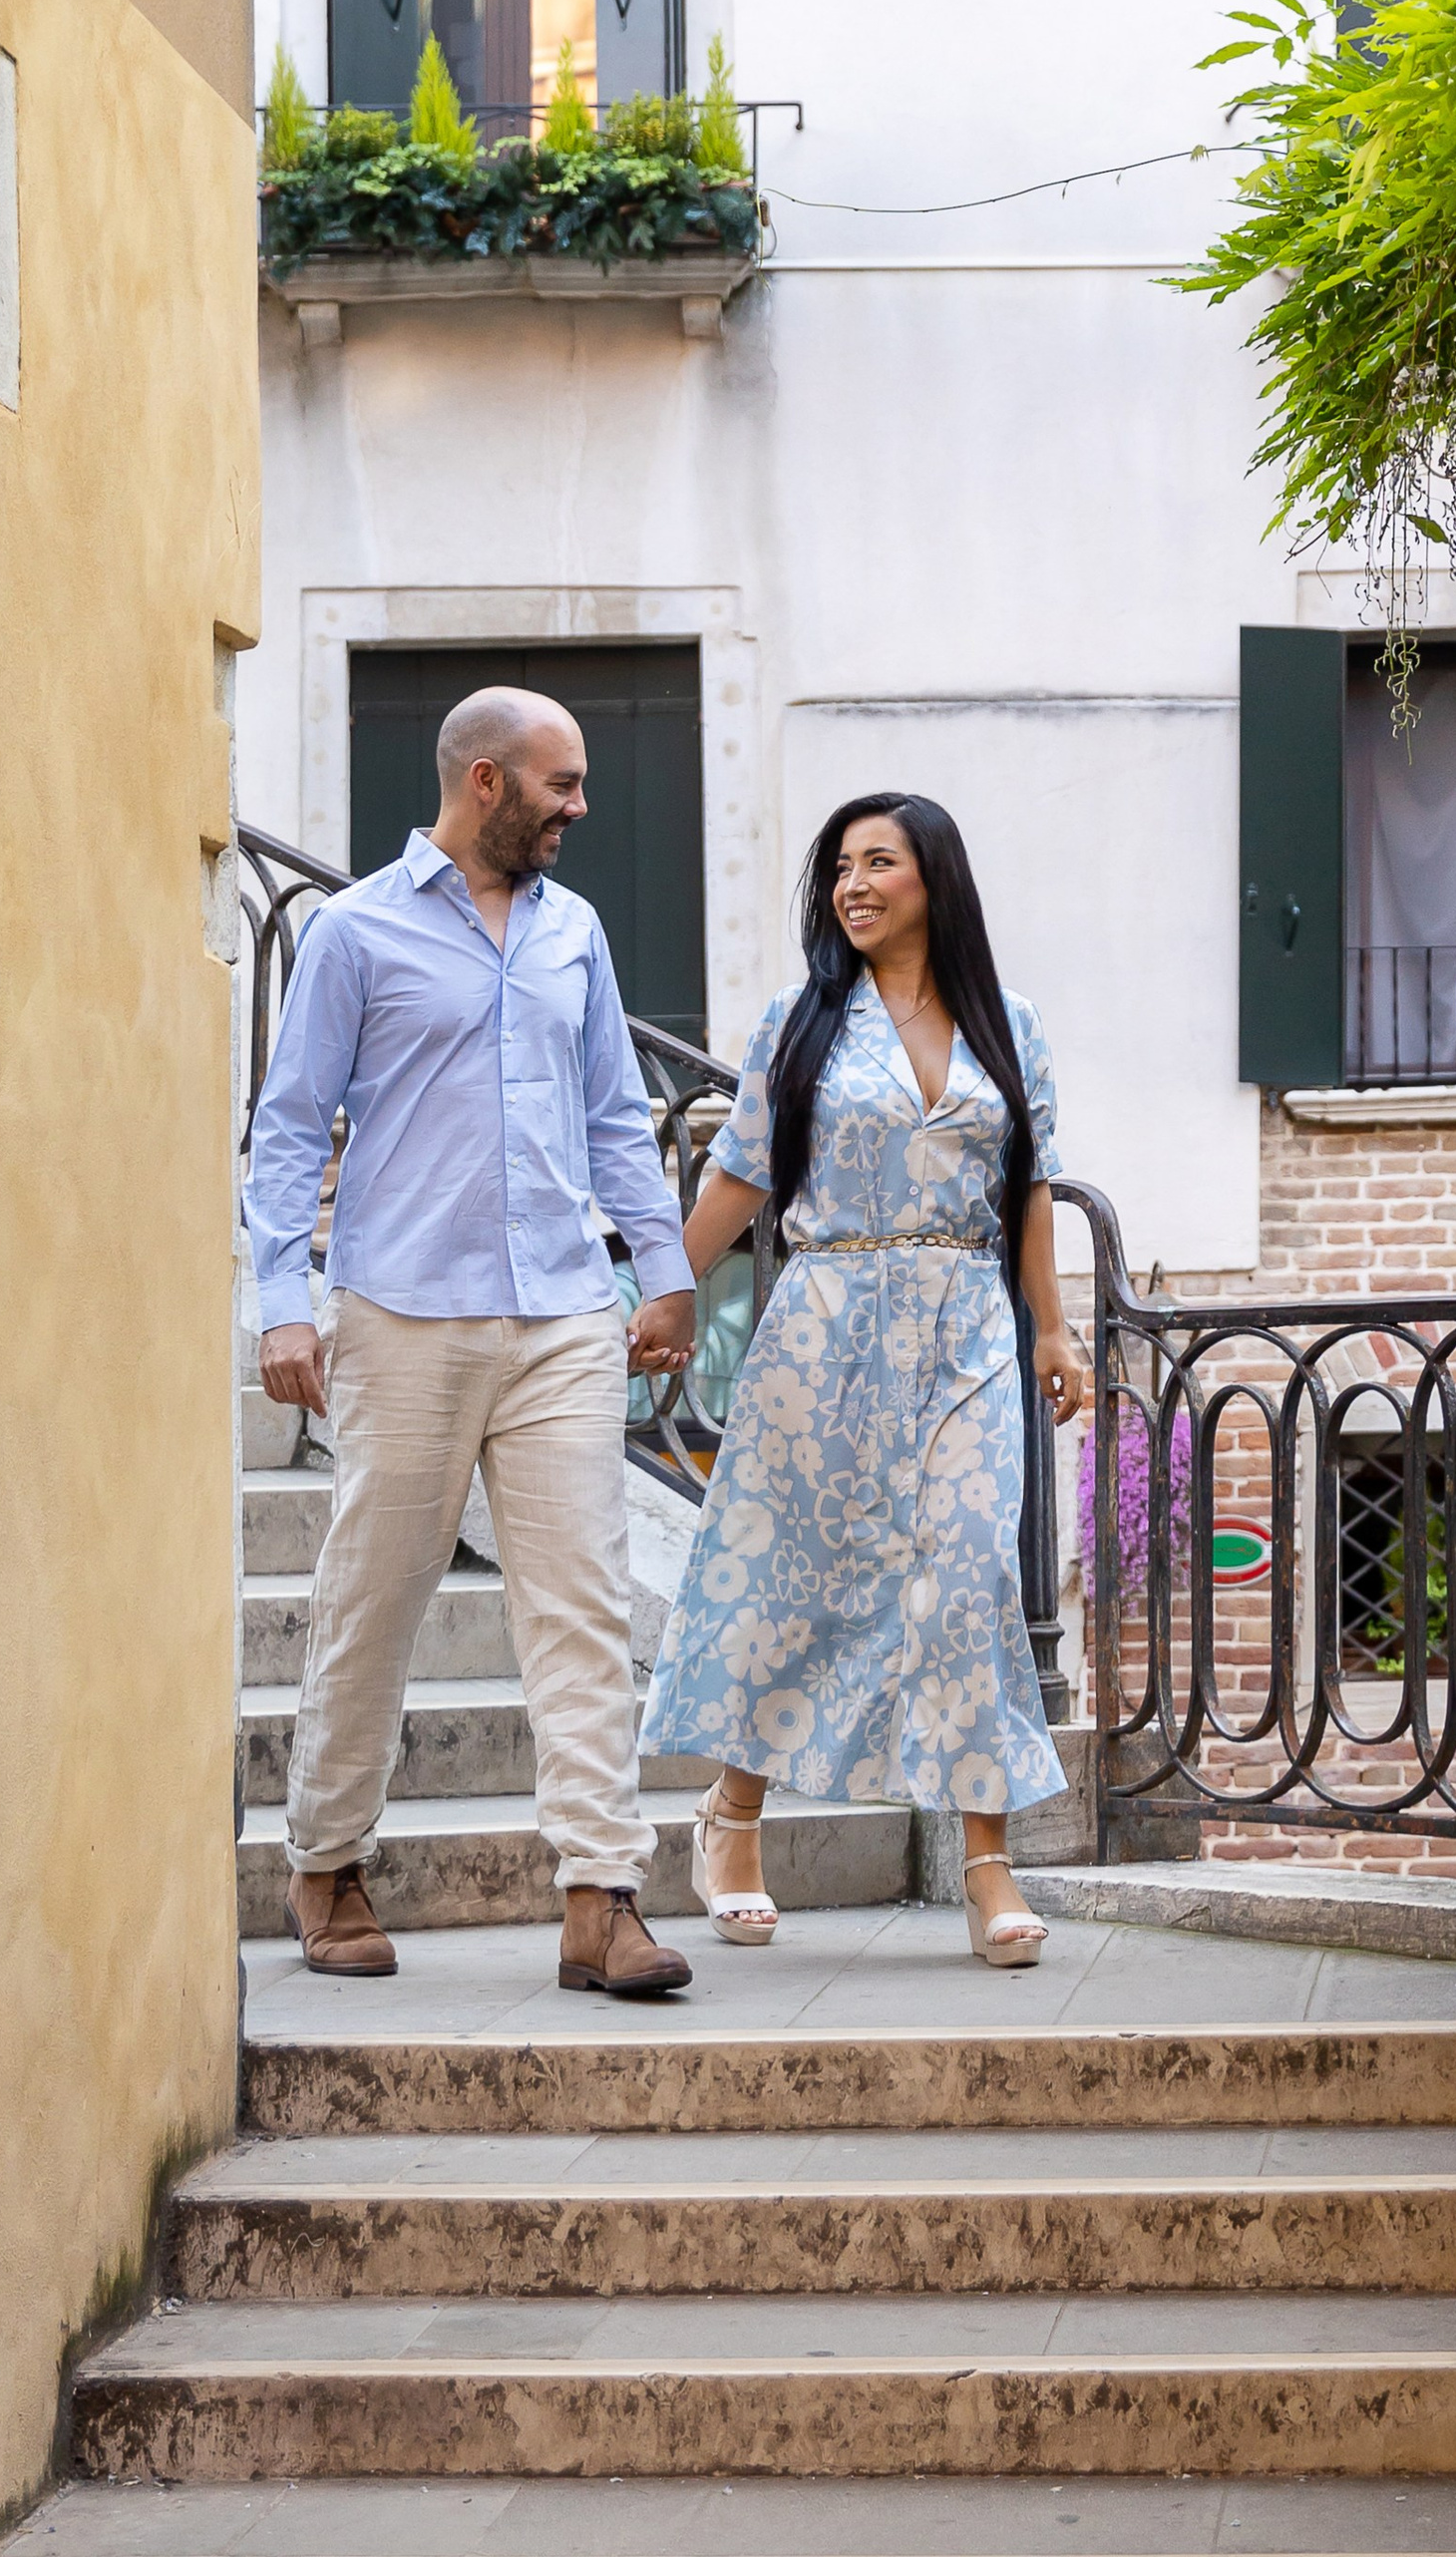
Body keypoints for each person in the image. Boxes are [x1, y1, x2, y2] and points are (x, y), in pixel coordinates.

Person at [246, 687, 696, 1998]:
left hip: (561, 1312)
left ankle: (602, 1898)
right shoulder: (354, 932)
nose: (581, 807)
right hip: (401, 1314)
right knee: (372, 1601)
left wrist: (661, 1270)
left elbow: (618, 1111)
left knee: (584, 1607)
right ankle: (328, 1864)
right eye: (562, 784)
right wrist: (285, 1297)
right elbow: (288, 1132)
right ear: (487, 782)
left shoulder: (577, 936)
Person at [636, 792, 1091, 1969]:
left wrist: (1052, 1328)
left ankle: (987, 1863)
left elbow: (1030, 1183)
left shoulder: (1010, 1024)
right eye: (840, 866)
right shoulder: (802, 1021)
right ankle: (730, 1823)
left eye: (878, 861)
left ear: (932, 877)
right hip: (825, 1322)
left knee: (971, 1575)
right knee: (793, 1573)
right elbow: (739, 1176)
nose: (852, 884)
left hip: (962, 1329)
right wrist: (665, 1286)